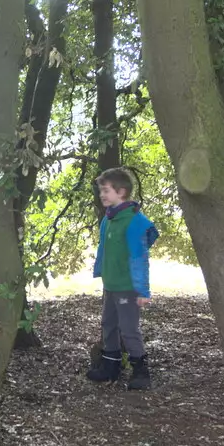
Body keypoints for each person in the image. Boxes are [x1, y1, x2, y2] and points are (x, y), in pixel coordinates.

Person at [86, 167, 159, 390]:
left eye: (106, 190)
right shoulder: (108, 220)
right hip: (111, 285)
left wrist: (143, 291)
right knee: (108, 325)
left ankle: (141, 371)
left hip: (128, 288)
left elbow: (140, 258)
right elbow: (104, 250)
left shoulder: (133, 221)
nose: (102, 195)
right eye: (101, 191)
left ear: (122, 191)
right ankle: (111, 366)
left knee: (129, 329)